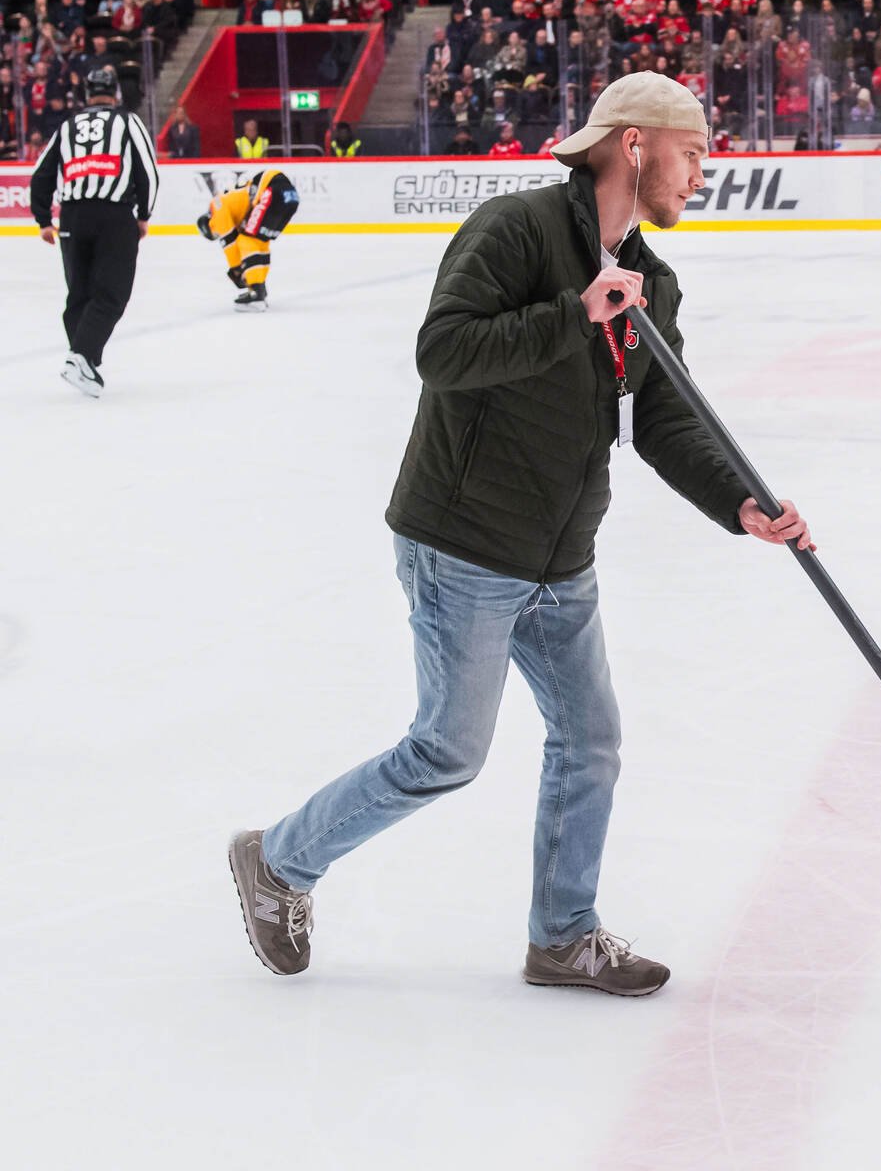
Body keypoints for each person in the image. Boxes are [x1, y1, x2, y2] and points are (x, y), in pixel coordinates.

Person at [227, 72, 812, 994]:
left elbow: (663, 418)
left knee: (591, 741)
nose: (702, 172)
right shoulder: (518, 229)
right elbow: (444, 352)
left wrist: (738, 501)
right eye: (693, 152)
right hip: (463, 542)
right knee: (447, 752)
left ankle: (562, 935)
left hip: (559, 556)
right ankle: (279, 860)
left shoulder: (653, 280)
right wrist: (573, 313)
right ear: (633, 145)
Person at [28, 64, 159, 398]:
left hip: (72, 217)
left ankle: (83, 361)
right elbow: (148, 171)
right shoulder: (128, 121)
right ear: (115, 93)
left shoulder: (67, 126)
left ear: (86, 94)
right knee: (112, 293)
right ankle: (81, 357)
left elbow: (40, 174)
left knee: (80, 294)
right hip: (114, 216)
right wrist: (144, 214)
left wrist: (44, 219)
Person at [195, 168, 301, 307]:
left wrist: (236, 269)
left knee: (247, 240)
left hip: (272, 188)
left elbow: (229, 242)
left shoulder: (216, 209)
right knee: (260, 242)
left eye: (215, 233)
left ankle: (256, 292)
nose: (218, 233)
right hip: (290, 196)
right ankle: (259, 287)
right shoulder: (233, 206)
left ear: (209, 223)